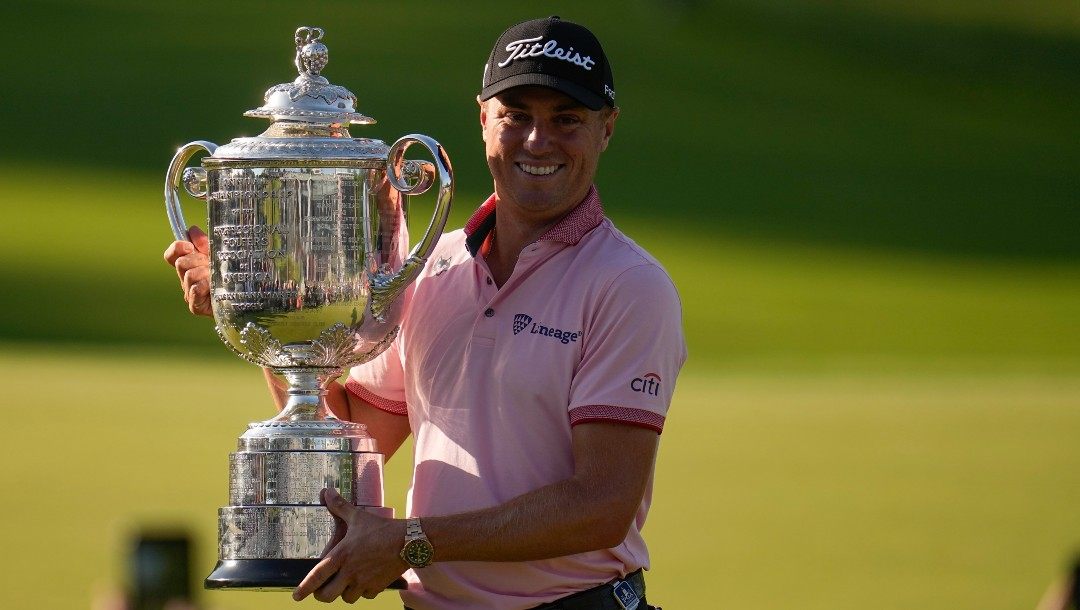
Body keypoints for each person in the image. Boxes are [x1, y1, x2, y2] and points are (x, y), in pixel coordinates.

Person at [165, 16, 686, 609]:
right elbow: (352, 429)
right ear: (483, 119)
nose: (538, 141)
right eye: (516, 115)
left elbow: (601, 506)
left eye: (566, 119)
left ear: (606, 128)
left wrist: (410, 542)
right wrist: (262, 307)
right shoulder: (433, 267)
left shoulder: (629, 286)